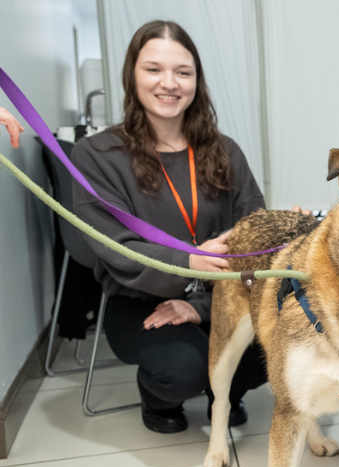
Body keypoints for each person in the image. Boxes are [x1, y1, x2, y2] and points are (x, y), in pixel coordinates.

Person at [71, 21, 268, 434]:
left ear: (197, 80)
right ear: (132, 76)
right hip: (140, 300)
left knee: (272, 349)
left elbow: (253, 232)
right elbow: (117, 247)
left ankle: (226, 392)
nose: (169, 83)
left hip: (221, 297)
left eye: (183, 72)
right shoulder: (97, 155)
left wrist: (199, 308)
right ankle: (159, 398)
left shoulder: (224, 150)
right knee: (185, 368)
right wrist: (188, 260)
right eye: (154, 69)